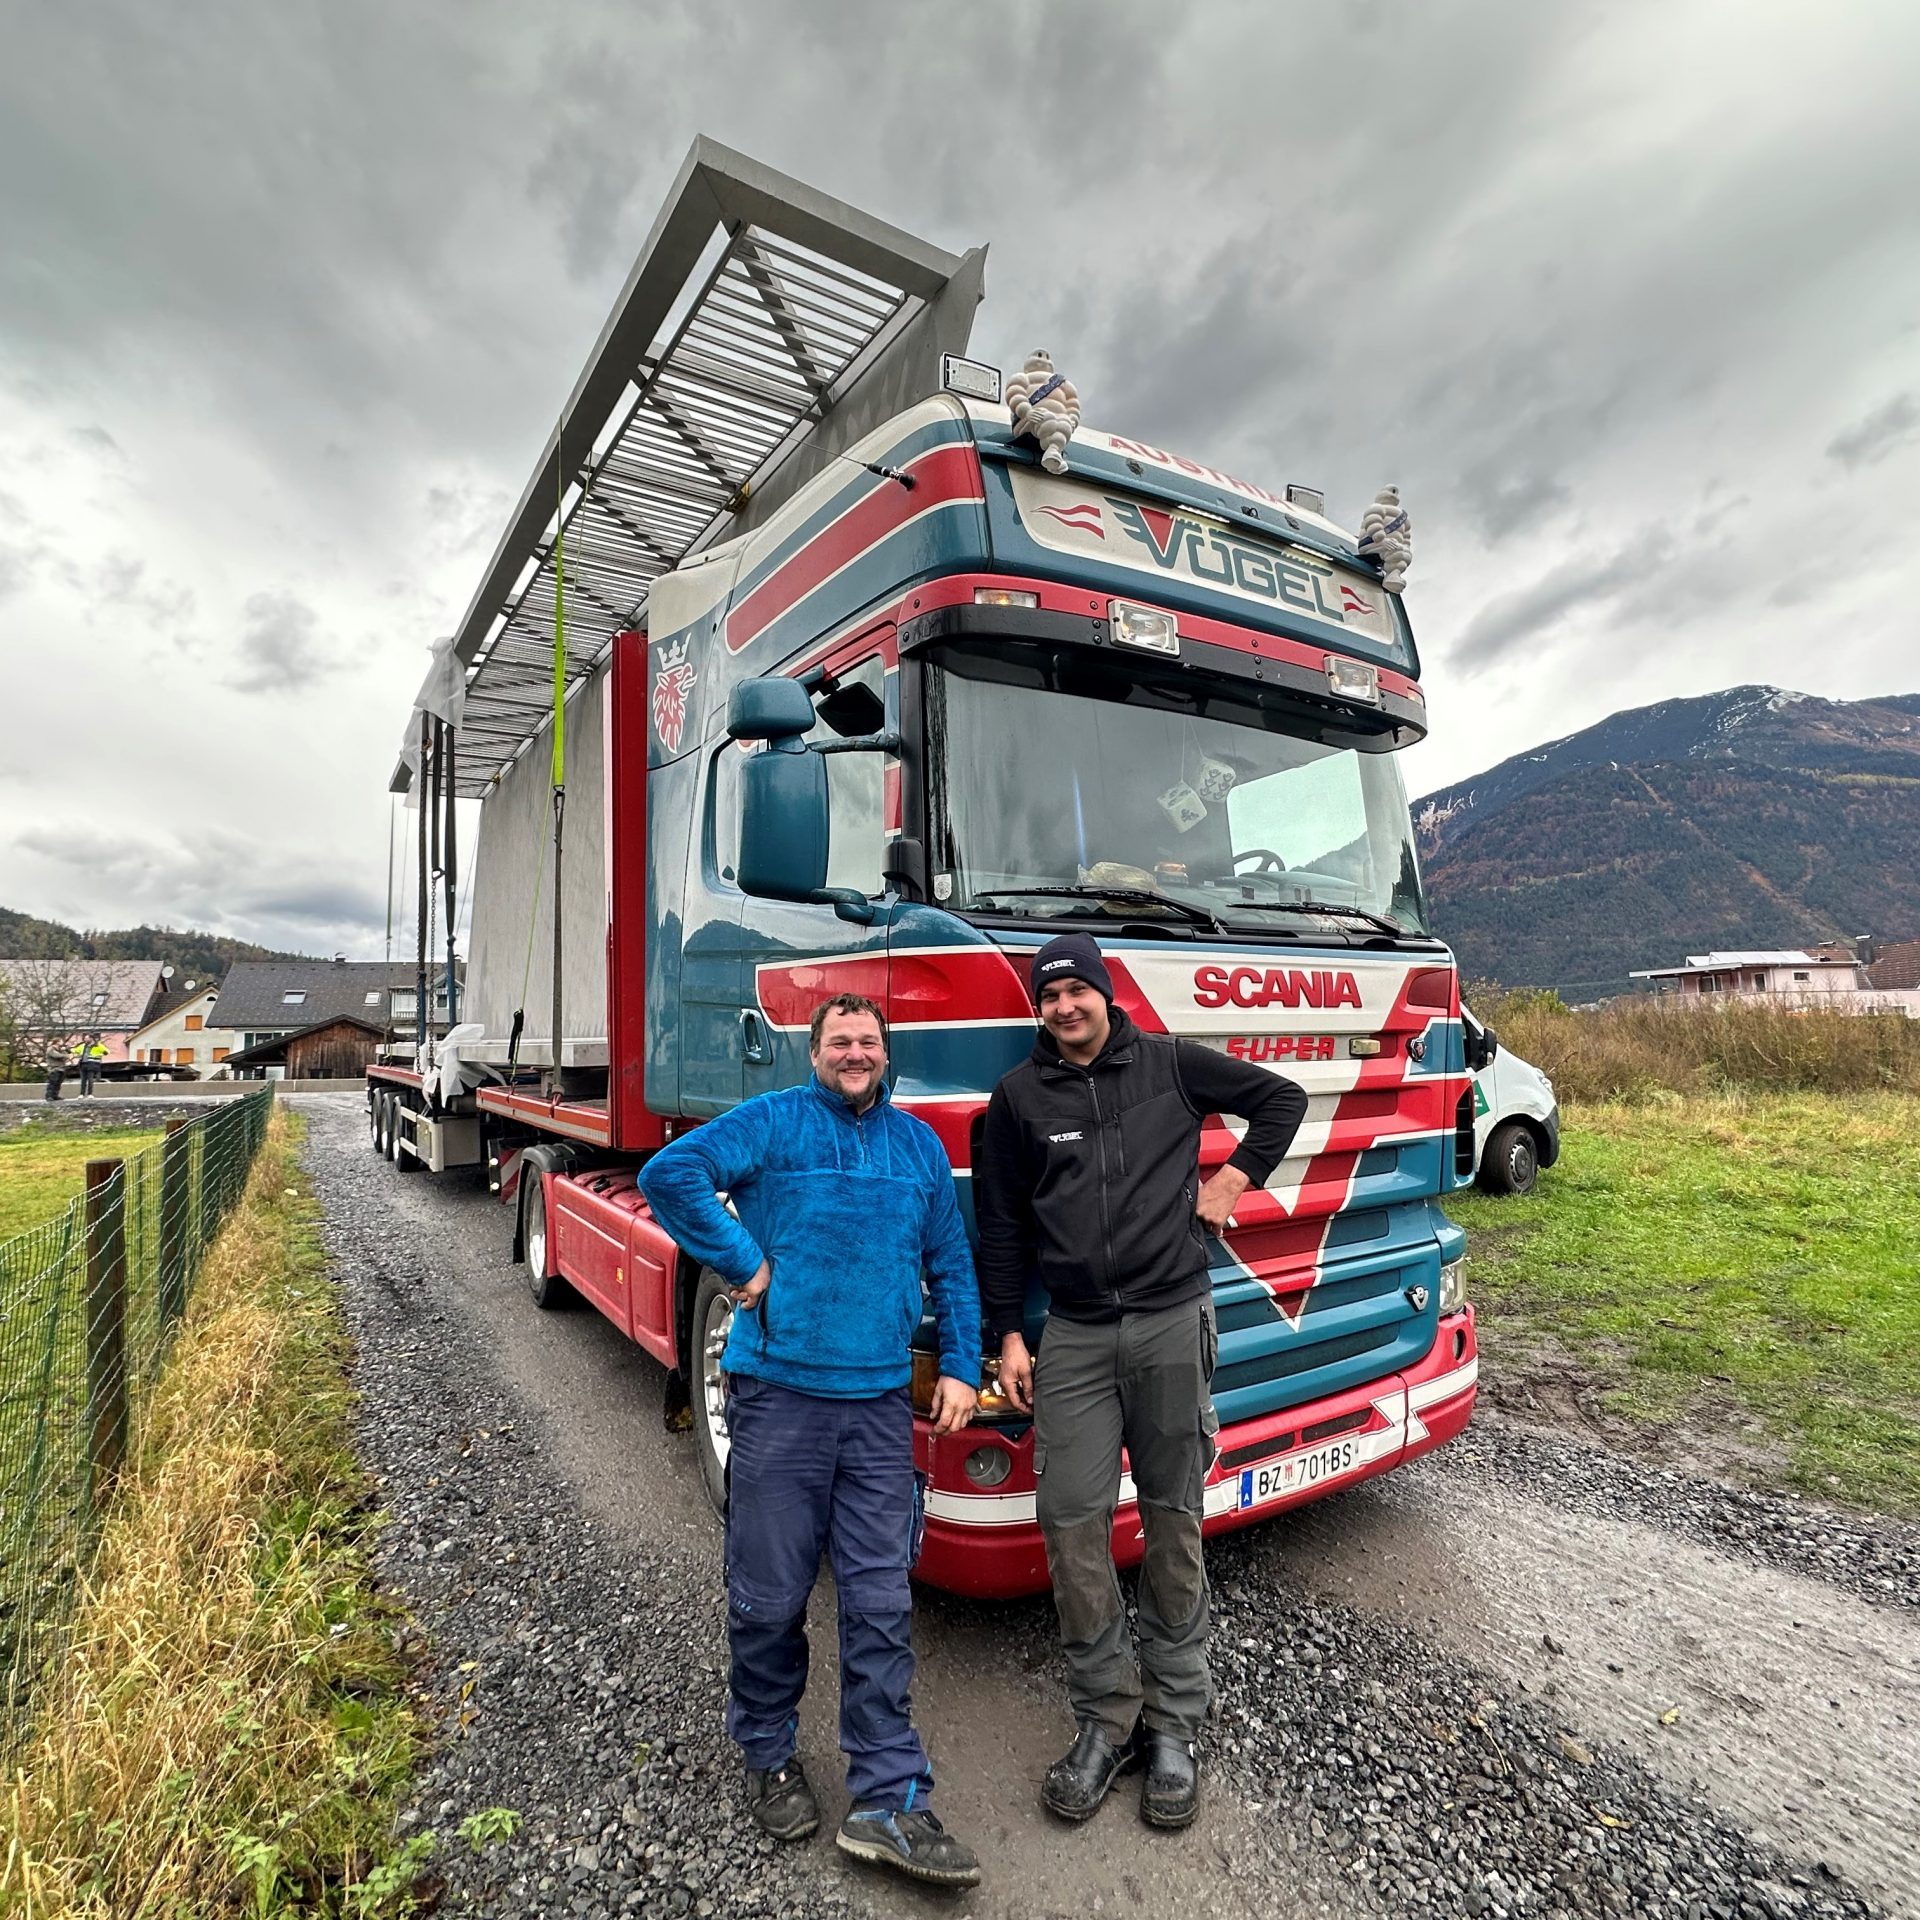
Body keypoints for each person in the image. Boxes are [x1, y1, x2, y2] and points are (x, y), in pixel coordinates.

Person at [636, 992, 985, 1890]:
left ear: (885, 1053)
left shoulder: (916, 1149)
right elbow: (670, 1176)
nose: (856, 1054)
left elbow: (950, 1261)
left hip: (874, 1411)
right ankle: (766, 1751)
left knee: (879, 1601)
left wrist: (960, 1365)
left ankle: (888, 1796)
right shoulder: (773, 1123)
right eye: (840, 1042)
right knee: (768, 1594)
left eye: (869, 1042)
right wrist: (745, 1264)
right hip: (780, 1400)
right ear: (814, 1053)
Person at [975, 931, 1308, 1829]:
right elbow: (1000, 1226)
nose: (1063, 1008)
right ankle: (1105, 1716)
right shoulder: (1016, 1100)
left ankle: (1172, 1720)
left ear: (1104, 991)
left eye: (1076, 990)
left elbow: (1282, 1099)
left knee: (1173, 1515)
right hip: (1075, 1335)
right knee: (1071, 1521)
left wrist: (1235, 1178)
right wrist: (1009, 1333)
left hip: (1171, 1319)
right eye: (1048, 997)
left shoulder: (1169, 1064)